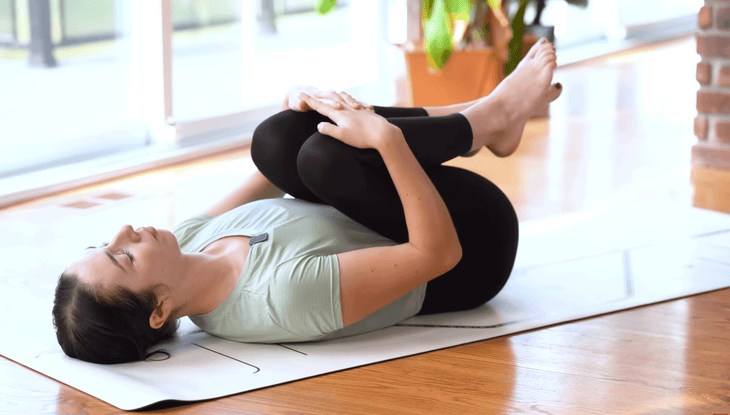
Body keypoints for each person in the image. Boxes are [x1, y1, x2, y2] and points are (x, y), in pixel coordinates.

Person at [53, 39, 561, 364]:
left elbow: (271, 164)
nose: (125, 233)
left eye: (106, 240)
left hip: (404, 212)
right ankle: (484, 120)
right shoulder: (276, 298)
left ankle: (480, 120)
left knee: (276, 137)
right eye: (122, 256)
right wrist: (386, 141)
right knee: (322, 160)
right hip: (474, 246)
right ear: (160, 308)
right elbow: (437, 256)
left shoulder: (187, 243)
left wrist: (298, 103)